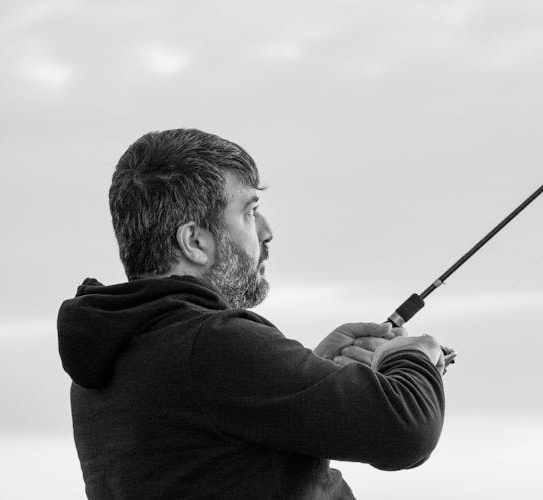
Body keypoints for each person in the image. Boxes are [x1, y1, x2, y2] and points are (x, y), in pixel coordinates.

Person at [57, 128, 449, 499]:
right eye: (249, 211)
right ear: (195, 241)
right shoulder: (212, 344)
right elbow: (405, 429)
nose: (266, 231)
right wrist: (415, 356)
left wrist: (311, 369)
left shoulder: (115, 353)